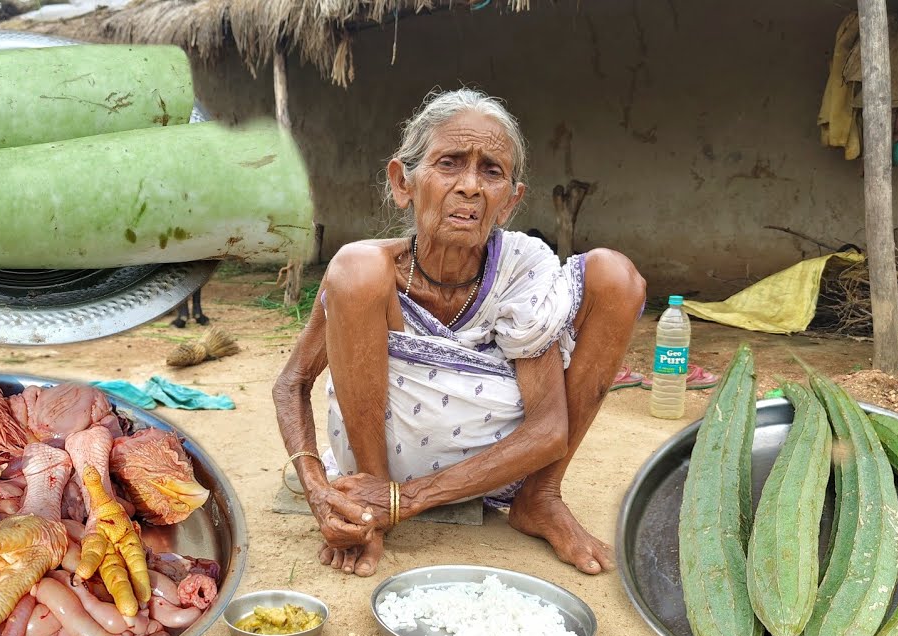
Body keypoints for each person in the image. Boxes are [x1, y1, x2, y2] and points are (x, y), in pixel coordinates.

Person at [272, 89, 646, 578]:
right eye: (449, 163)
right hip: (371, 478)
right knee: (356, 265)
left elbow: (549, 430)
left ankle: (539, 497)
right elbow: (291, 384)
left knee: (616, 277)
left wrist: (404, 501)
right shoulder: (365, 273)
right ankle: (370, 492)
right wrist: (320, 488)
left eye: (491, 171)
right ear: (402, 182)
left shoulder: (519, 272)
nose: (470, 186)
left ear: (509, 202)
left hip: (496, 471)